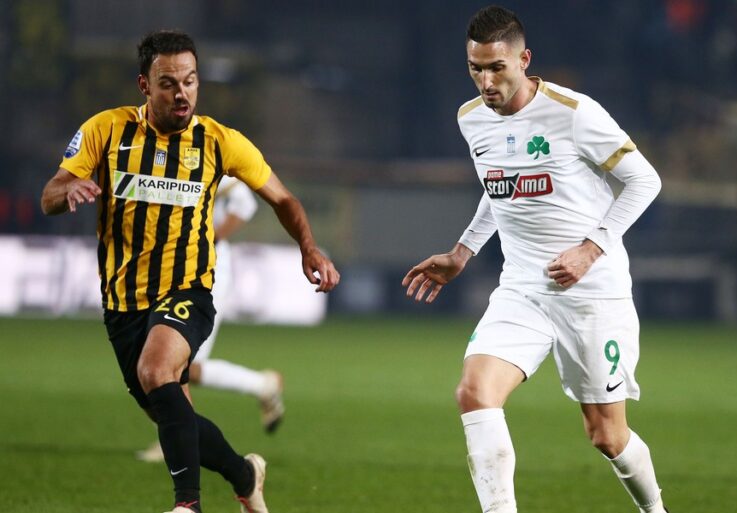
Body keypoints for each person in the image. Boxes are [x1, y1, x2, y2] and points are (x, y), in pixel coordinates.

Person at [41, 30, 339, 513]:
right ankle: (245, 475)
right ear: (144, 85)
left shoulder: (219, 141)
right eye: (168, 83)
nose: (182, 93)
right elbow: (50, 193)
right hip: (123, 303)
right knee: (173, 416)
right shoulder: (106, 131)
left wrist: (308, 247)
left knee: (156, 370)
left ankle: (187, 506)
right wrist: (68, 191)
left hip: (188, 290)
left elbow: (283, 198)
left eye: (190, 81)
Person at [403, 6, 668, 513]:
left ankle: (655, 509)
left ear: (524, 61)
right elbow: (499, 188)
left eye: (496, 68)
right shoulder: (470, 119)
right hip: (522, 288)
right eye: (476, 69)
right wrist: (463, 251)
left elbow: (644, 181)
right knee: (474, 393)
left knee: (606, 434)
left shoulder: (574, 112)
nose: (486, 82)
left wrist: (590, 249)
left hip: (591, 292)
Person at [136, 175, 285, 464]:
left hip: (206, 271)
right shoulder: (162, 160)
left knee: (176, 363)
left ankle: (174, 439)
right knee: (168, 361)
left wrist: (211, 239)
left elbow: (245, 204)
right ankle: (262, 385)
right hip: (170, 268)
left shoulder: (205, 157)